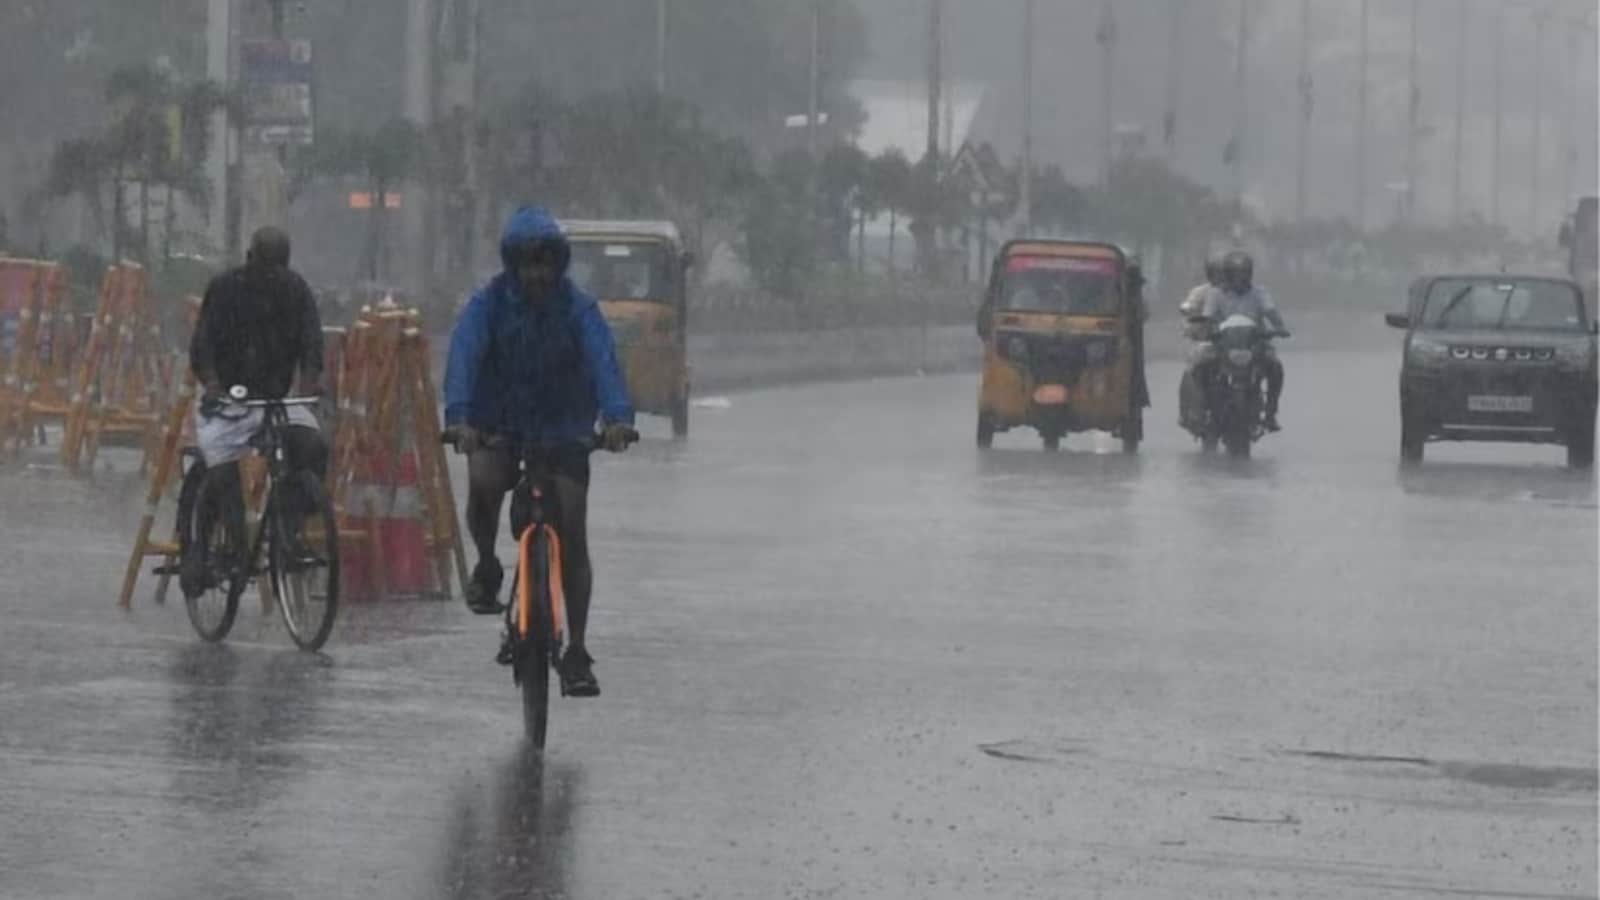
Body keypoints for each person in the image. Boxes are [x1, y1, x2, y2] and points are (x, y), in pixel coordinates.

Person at [444, 206, 638, 698]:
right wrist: (460, 419)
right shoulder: (487, 305)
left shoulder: (579, 309)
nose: (537, 275)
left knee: (572, 527)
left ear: (559, 264)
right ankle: (487, 563)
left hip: (564, 427)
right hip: (497, 423)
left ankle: (578, 650)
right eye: (528, 265)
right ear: (513, 265)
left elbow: (604, 363)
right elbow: (464, 356)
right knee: (484, 483)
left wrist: (617, 419)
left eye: (545, 264)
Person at [185, 227, 328, 595]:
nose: (270, 276)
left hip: (277, 401)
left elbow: (312, 344)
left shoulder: (296, 290)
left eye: (277, 268)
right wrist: (213, 385)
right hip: (228, 401)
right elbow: (202, 345)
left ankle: (289, 528)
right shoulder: (225, 288)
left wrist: (308, 387)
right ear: (249, 259)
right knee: (221, 470)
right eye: (265, 267)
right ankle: (216, 544)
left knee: (313, 446)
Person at [1194, 250, 1290, 431]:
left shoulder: (1259, 292)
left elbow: (1270, 311)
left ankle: (1270, 413)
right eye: (1236, 274)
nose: (1241, 278)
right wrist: (1207, 330)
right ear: (1227, 274)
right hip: (1223, 343)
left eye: (1244, 273)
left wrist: (1280, 327)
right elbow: (1208, 317)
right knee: (1200, 366)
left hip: (1255, 343)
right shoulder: (1216, 294)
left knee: (1275, 367)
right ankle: (1203, 411)